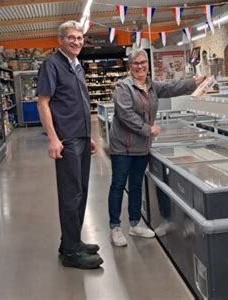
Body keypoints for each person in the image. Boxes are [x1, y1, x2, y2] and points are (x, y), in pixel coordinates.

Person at [108, 48, 206, 246]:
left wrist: (193, 82)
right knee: (118, 185)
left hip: (141, 146)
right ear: (130, 66)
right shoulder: (123, 87)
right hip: (123, 146)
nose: (140, 66)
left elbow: (171, 88)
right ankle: (115, 227)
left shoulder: (151, 86)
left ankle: (135, 224)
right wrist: (148, 129)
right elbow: (125, 114)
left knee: (136, 185)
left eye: (143, 62)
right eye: (136, 63)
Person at [37, 21, 103, 269]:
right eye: (71, 38)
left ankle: (70, 242)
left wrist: (89, 135)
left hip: (82, 138)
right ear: (61, 40)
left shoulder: (77, 66)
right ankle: (72, 254)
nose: (77, 42)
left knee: (81, 191)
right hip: (67, 140)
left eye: (80, 38)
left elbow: (79, 103)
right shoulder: (51, 65)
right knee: (70, 194)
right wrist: (53, 138)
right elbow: (43, 103)